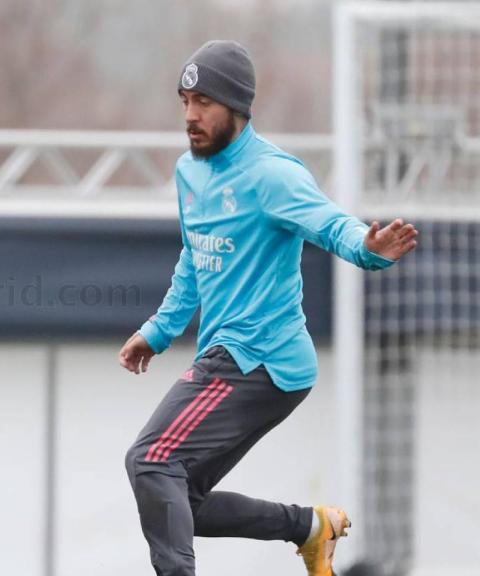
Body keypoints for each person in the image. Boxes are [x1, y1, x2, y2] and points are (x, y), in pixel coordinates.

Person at [118, 41, 418, 576]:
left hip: (257, 359)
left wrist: (368, 250)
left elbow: (331, 223)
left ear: (238, 107)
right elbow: (194, 256)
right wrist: (158, 331)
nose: (190, 116)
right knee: (178, 500)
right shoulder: (190, 172)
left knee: (151, 461)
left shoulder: (273, 175)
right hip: (239, 358)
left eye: (204, 102)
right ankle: (309, 528)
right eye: (185, 101)